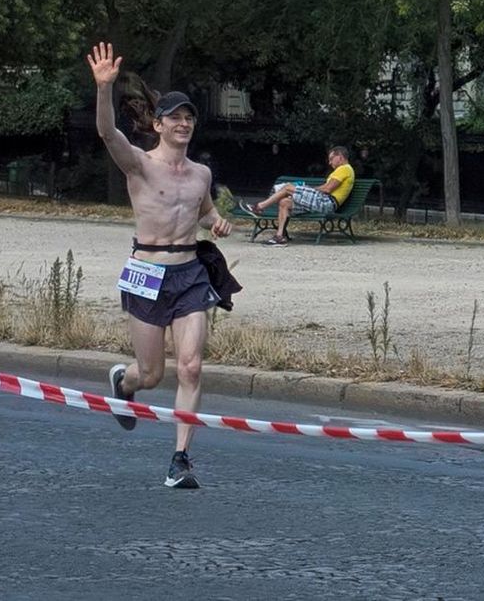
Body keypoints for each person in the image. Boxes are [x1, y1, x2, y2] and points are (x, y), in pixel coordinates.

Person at [86, 41, 232, 489]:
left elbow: (203, 211)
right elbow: (107, 133)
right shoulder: (140, 165)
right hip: (147, 273)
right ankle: (124, 383)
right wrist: (104, 88)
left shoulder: (202, 174)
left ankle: (180, 460)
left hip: (190, 275)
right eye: (175, 118)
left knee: (191, 367)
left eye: (189, 118)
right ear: (159, 124)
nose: (184, 124)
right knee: (152, 374)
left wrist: (215, 221)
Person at [239, 146, 355, 246]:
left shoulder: (344, 169)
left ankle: (259, 207)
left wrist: (308, 189)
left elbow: (327, 189)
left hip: (327, 202)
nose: (330, 162)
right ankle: (279, 237)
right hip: (322, 201)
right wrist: (307, 190)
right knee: (284, 202)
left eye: (331, 159)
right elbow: (326, 188)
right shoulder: (343, 170)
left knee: (288, 187)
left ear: (340, 157)